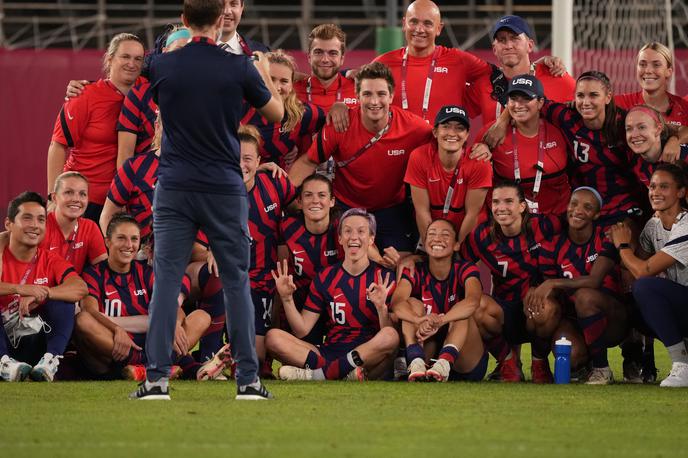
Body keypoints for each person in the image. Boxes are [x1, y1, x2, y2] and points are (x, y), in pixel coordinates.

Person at [131, 0, 283, 401]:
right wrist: (261, 69)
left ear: (183, 20)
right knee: (236, 282)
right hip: (224, 187)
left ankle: (157, 380)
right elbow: (277, 113)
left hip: (175, 186)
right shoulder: (238, 66)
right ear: (220, 21)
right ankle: (248, 381)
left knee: (165, 282)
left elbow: (133, 68)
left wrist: (170, 49)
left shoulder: (163, 65)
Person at [289, 61, 433, 254]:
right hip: (347, 207)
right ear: (357, 96)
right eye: (367, 94)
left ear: (391, 96)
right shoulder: (341, 124)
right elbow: (308, 161)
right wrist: (283, 197)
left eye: (381, 94)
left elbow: (446, 145)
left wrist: (479, 149)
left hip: (391, 208)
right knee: (353, 262)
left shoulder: (415, 128)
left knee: (400, 264)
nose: (374, 102)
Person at [76, 214, 222, 382]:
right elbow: (89, 311)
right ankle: (182, 366)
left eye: (134, 239)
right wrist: (117, 329)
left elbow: (174, 303)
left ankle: (146, 368)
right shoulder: (93, 274)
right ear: (108, 241)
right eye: (121, 238)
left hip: (151, 343)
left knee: (201, 317)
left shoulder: (146, 272)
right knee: (83, 321)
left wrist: (173, 323)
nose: (129, 245)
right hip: (116, 347)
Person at [266, 208, 399, 381]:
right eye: (348, 231)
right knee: (273, 338)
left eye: (361, 231)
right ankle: (339, 373)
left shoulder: (385, 277)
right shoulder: (325, 277)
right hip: (329, 352)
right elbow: (302, 330)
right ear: (340, 238)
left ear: (371, 239)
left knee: (391, 336)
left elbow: (388, 334)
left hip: (367, 356)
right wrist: (286, 298)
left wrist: (381, 307)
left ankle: (320, 375)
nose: (354, 237)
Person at [462, 181, 561, 382]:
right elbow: (459, 264)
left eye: (509, 201)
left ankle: (539, 363)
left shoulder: (546, 225)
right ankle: (508, 363)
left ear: (522, 206)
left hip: (537, 306)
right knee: (475, 307)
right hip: (504, 311)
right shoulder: (481, 235)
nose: (501, 208)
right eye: (496, 202)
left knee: (544, 306)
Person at [528, 187, 627, 384]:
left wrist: (553, 282)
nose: (578, 210)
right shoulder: (552, 245)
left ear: (597, 214)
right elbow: (549, 295)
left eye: (587, 207)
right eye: (574, 204)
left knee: (585, 296)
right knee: (569, 353)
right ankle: (578, 363)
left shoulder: (605, 239)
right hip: (573, 318)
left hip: (611, 318)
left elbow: (594, 281)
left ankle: (602, 369)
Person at [48, 33, 145, 222]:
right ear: (110, 59)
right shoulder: (85, 95)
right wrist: (52, 196)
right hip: (84, 199)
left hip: (128, 200)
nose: (131, 64)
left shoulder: (149, 95)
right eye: (125, 57)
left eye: (138, 59)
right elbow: (58, 145)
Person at [611, 164, 688, 387]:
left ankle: (682, 366)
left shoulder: (685, 225)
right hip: (681, 303)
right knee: (632, 307)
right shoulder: (653, 225)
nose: (656, 192)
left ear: (681, 192)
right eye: (653, 186)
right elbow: (633, 267)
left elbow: (642, 271)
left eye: (664, 187)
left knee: (645, 287)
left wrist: (623, 245)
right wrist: (626, 231)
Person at [0, 192, 87, 382]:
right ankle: (4, 364)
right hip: (4, 338)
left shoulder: (49, 259)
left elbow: (80, 287)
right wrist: (20, 289)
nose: (35, 225)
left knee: (64, 300)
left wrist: (45, 292)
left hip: (34, 339)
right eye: (27, 218)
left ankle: (49, 361)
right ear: (9, 224)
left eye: (41, 220)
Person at [391, 218, 487, 382]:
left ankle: (444, 364)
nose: (437, 239)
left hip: (464, 361)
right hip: (429, 352)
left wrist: (439, 321)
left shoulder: (465, 268)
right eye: (432, 234)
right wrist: (418, 319)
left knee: (461, 309)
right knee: (412, 304)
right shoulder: (415, 270)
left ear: (456, 245)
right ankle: (416, 362)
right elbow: (397, 303)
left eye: (445, 234)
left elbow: (473, 301)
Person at [373, 0, 491, 122]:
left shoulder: (459, 60)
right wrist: (350, 72)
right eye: (413, 22)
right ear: (404, 24)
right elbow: (358, 96)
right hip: (398, 141)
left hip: (443, 141)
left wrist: (500, 121)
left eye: (427, 24)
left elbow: (496, 76)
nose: (419, 29)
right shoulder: (383, 64)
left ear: (439, 28)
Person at [477, 74, 570, 216]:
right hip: (511, 223)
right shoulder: (492, 133)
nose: (518, 105)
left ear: (540, 102)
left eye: (526, 98)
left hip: (559, 221)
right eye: (513, 99)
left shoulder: (559, 128)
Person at [465, 14, 576, 125]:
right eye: (502, 40)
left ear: (530, 45)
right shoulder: (484, 84)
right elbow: (454, 108)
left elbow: (587, 108)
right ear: (494, 49)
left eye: (514, 38)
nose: (508, 46)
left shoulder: (555, 75)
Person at [404, 105, 492, 245]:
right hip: (430, 229)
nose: (452, 133)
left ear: (467, 134)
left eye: (459, 128)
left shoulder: (479, 162)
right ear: (435, 132)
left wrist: (458, 247)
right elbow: (422, 211)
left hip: (468, 232)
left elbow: (472, 214)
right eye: (445, 126)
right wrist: (431, 245)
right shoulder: (419, 157)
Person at [241, 50, 326, 169]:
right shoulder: (239, 109)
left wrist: (299, 145)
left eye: (284, 81)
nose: (276, 87)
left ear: (292, 86)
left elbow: (331, 123)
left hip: (280, 183)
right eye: (270, 79)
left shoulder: (302, 113)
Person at [42, 172, 107, 274]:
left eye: (82, 194)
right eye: (68, 192)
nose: (76, 199)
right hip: (40, 287)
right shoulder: (40, 226)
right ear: (54, 197)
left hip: (74, 287)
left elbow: (104, 272)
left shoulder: (90, 227)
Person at [615, 42, 688, 127]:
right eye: (642, 64)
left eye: (656, 65)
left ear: (669, 71)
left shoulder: (684, 108)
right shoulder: (619, 104)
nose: (648, 70)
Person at [293, 24, 358, 112]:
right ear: (309, 57)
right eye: (318, 52)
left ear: (342, 59)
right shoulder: (291, 91)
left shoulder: (358, 89)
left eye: (333, 53)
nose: (325, 59)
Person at [626, 105, 688, 189]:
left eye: (642, 127)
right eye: (629, 129)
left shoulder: (682, 156)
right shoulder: (632, 160)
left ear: (658, 129)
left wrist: (675, 138)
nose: (634, 135)